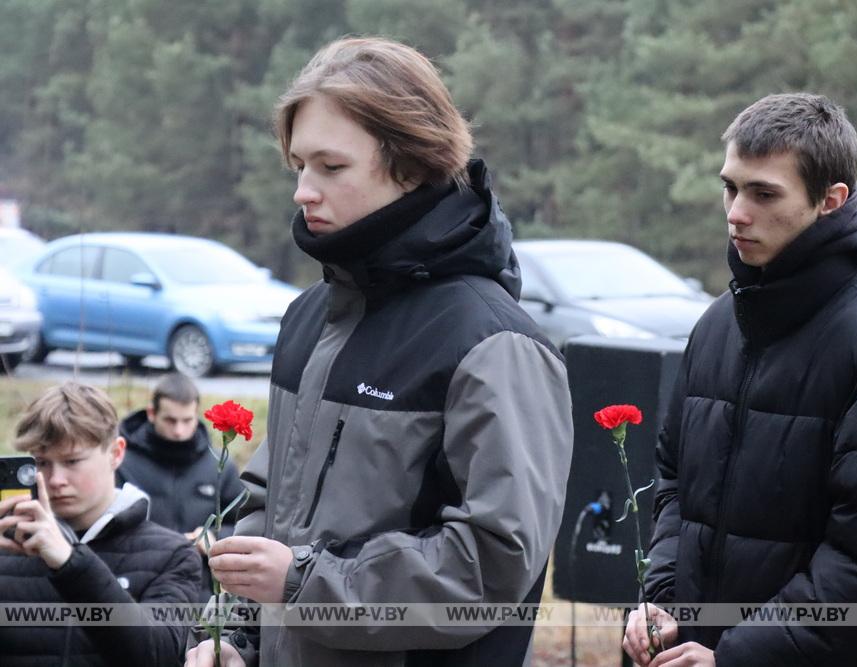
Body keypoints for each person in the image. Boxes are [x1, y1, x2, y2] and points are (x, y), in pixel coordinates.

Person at [185, 37, 573, 667]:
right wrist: (234, 637)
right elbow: (265, 508)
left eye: (331, 168)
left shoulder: (495, 344)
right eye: (299, 166)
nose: (303, 192)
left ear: (413, 166)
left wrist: (303, 585)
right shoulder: (311, 316)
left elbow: (496, 564)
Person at [623, 93, 857, 666]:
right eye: (730, 188)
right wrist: (663, 602)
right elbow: (675, 486)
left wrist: (735, 657)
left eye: (763, 193)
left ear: (830, 202)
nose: (736, 211)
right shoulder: (717, 325)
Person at [0, 381, 202, 666]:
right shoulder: (8, 545)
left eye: (72, 461)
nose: (56, 479)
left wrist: (71, 563)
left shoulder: (174, 555)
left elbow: (158, 657)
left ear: (116, 453)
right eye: (42, 463)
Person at [117, 373, 244, 601]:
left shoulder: (219, 466)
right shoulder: (121, 461)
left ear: (197, 416)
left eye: (187, 421)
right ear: (151, 414)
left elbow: (245, 523)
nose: (179, 431)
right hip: (135, 587)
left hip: (198, 591)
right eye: (170, 420)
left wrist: (214, 537)